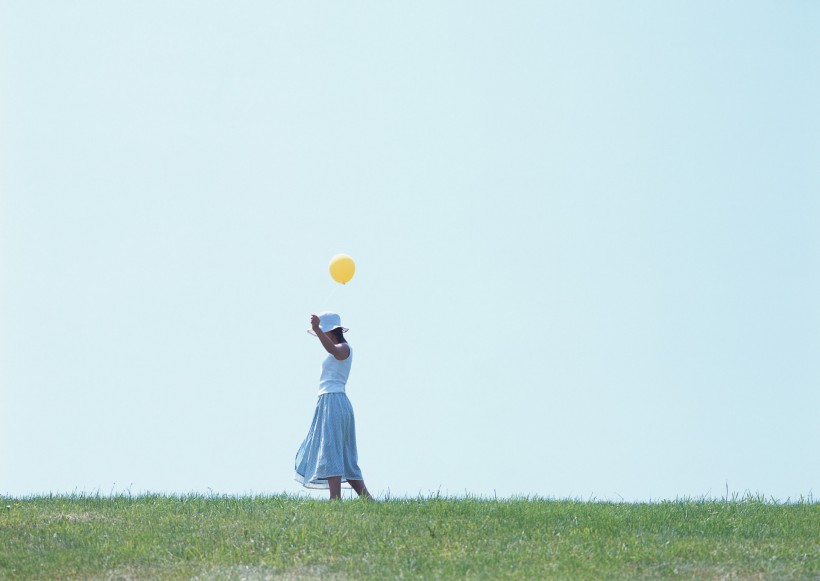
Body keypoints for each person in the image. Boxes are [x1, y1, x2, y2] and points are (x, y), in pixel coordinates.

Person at [294, 312, 373, 500]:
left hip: (334, 400)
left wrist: (316, 330)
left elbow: (334, 351)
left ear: (330, 331)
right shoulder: (337, 348)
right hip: (329, 401)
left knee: (332, 450)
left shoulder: (344, 348)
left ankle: (335, 499)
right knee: (339, 452)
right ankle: (367, 499)